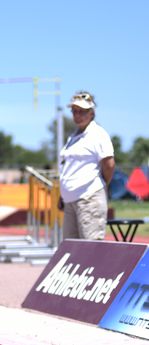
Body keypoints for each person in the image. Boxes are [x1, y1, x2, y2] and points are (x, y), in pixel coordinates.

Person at [58, 91, 115, 240]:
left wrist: (102, 185)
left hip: (89, 198)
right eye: (74, 111)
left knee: (90, 249)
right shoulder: (73, 136)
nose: (77, 115)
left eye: (82, 111)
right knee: (71, 249)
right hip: (70, 199)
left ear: (92, 113)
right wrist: (62, 194)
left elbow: (109, 165)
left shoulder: (97, 134)